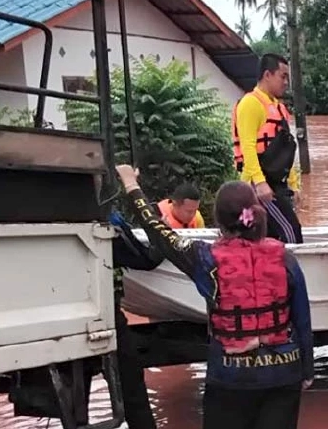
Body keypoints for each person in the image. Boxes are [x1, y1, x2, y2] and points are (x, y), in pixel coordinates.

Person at [115, 165, 314, 429]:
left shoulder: (204, 259)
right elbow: (302, 320)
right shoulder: (285, 258)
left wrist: (131, 185)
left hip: (230, 378)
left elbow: (157, 233)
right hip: (284, 374)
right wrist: (307, 370)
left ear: (218, 219)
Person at [232, 53, 303, 244]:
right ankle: (296, 262)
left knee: (268, 236)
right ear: (267, 75)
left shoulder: (280, 109)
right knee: (291, 230)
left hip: (277, 183)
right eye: (283, 76)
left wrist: (294, 184)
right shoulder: (251, 103)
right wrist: (260, 182)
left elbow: (287, 151)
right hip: (259, 184)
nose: (286, 82)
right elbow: (248, 147)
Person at [108, 211, 163, 429]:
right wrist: (160, 230)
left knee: (75, 399)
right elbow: (147, 258)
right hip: (107, 319)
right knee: (132, 390)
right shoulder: (108, 220)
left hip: (59, 324)